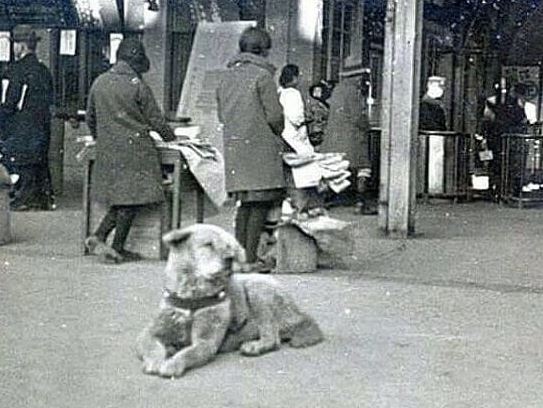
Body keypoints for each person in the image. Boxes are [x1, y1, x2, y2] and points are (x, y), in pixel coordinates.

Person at [84, 37, 176, 264]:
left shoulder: (99, 82)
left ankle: (106, 241)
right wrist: (172, 138)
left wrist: (101, 138)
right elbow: (155, 119)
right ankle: (106, 240)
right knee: (133, 198)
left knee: (125, 199)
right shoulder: (137, 85)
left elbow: (90, 117)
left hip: (108, 149)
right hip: (137, 152)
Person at [216, 27, 285, 271]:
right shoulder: (263, 76)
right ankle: (251, 260)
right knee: (260, 202)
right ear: (263, 50)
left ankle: (239, 258)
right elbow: (275, 117)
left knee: (245, 203)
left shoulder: (225, 77)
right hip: (260, 146)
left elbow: (222, 114)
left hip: (236, 146)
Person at [0, 24, 55, 211]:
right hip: (40, 132)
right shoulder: (44, 72)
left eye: (15, 44)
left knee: (19, 167)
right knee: (36, 166)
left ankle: (23, 198)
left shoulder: (13, 71)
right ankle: (39, 198)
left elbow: (7, 105)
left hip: (18, 132)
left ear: (21, 46)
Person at [320, 70, 374, 215]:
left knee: (333, 169)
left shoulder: (337, 90)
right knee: (363, 168)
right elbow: (358, 117)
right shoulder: (354, 92)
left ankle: (323, 201)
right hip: (352, 138)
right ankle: (360, 203)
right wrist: (367, 125)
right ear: (356, 76)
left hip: (334, 137)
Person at [483, 82, 528, 197]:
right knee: (506, 163)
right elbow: (522, 120)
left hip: (495, 136)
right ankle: (506, 189)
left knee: (495, 163)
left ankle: (495, 188)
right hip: (507, 138)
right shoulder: (517, 103)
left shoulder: (492, 101)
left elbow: (487, 119)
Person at [306, 82, 330, 148]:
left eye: (318, 91)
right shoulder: (315, 106)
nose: (316, 93)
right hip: (317, 132)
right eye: (315, 91)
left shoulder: (326, 104)